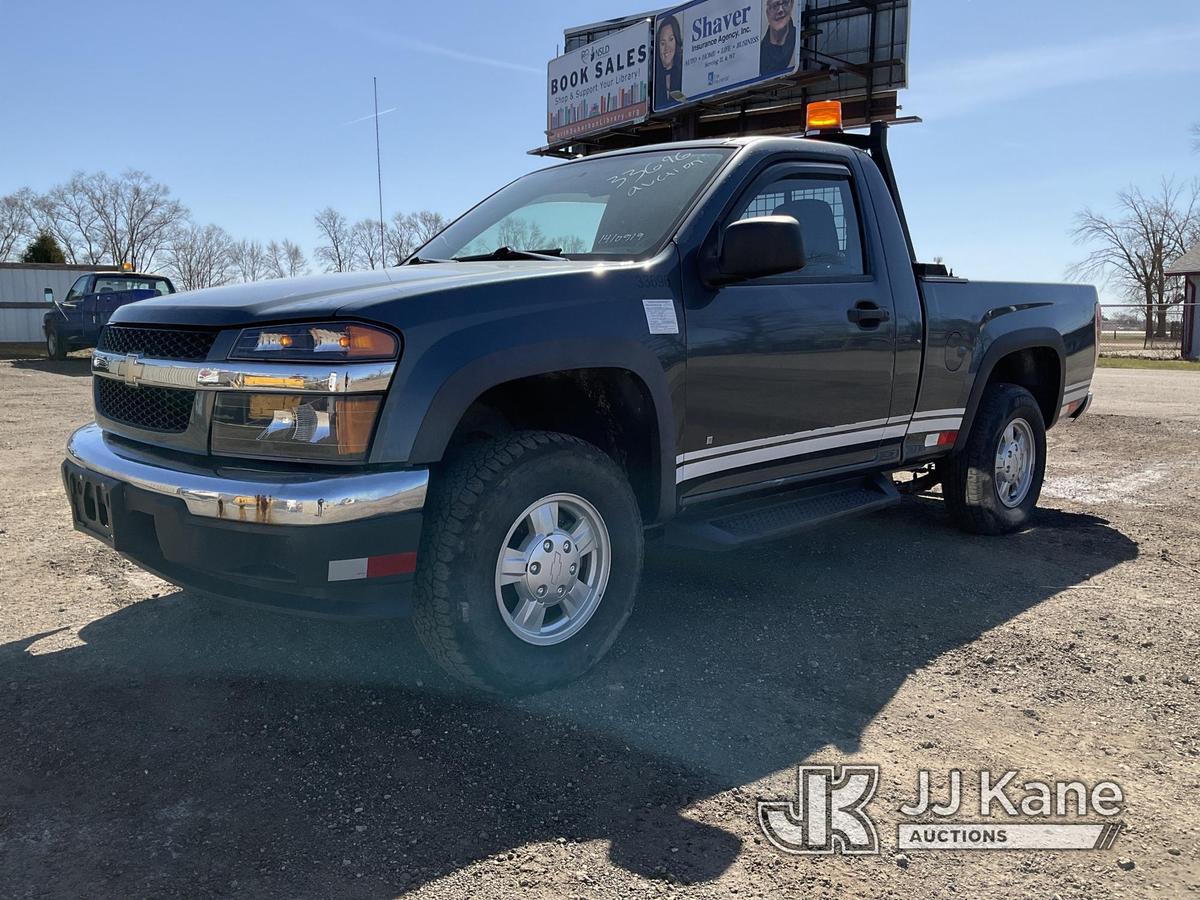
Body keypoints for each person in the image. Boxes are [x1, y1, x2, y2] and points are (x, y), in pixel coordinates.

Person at [759, 0, 797, 77]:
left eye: (785, 3)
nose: (780, 10)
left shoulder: (798, 43)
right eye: (775, 5)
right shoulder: (759, 51)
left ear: (791, 5)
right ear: (767, 12)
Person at [654, 15, 684, 110]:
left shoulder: (684, 73)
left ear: (677, 40)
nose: (667, 48)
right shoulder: (654, 79)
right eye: (662, 43)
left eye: (671, 39)